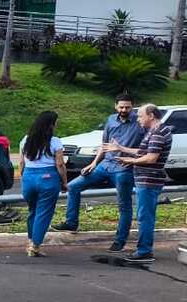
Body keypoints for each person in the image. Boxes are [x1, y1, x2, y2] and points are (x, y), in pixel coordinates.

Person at [54, 93, 143, 248]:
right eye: (121, 106)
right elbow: (104, 144)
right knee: (73, 186)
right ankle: (71, 222)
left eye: (127, 107)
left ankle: (120, 241)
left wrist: (130, 157)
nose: (124, 109)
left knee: (124, 205)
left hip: (124, 168)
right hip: (105, 165)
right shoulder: (110, 120)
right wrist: (94, 163)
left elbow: (144, 150)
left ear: (132, 107)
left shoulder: (140, 123)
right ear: (116, 106)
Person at [113, 103, 175, 265]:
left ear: (151, 116)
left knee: (144, 216)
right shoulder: (155, 131)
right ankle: (144, 249)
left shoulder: (157, 133)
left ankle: (144, 251)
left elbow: (151, 158)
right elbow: (143, 152)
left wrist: (131, 160)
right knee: (145, 215)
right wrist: (122, 149)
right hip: (147, 179)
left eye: (140, 115)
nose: (138, 119)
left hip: (148, 180)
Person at [18, 110, 67, 257]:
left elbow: (21, 162)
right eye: (56, 122)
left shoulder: (25, 140)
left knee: (33, 211)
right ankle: (35, 245)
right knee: (44, 213)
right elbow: (60, 165)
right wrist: (64, 182)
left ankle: (30, 241)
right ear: (51, 125)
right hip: (48, 179)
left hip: (28, 178)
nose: (57, 124)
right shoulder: (55, 142)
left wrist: (23, 179)